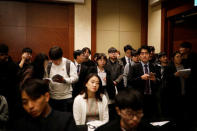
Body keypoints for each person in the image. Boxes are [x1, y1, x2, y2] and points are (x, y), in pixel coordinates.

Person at [127, 45, 161, 120]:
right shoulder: (134, 67)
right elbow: (129, 81)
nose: (144, 55)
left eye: (146, 53)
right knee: (141, 120)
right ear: (139, 56)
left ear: (149, 55)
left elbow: (160, 82)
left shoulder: (155, 67)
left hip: (152, 97)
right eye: (142, 54)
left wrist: (155, 80)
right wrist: (140, 78)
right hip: (140, 97)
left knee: (152, 119)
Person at [44, 46, 78, 112]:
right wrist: (46, 81)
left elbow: (75, 78)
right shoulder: (49, 65)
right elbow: (46, 77)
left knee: (66, 118)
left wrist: (64, 80)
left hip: (66, 97)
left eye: (58, 60)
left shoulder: (68, 63)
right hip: (52, 97)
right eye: (54, 60)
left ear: (61, 56)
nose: (56, 62)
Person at [0, 43, 18, 128]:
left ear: (6, 55)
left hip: (9, 97)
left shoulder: (12, 66)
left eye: (1, 55)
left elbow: (13, 83)